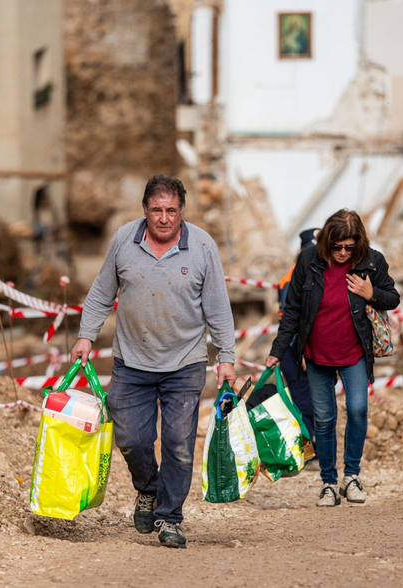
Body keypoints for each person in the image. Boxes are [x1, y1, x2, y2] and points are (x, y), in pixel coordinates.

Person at [71, 174, 236, 549]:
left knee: (178, 443)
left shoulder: (203, 247)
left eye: (171, 210)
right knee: (131, 438)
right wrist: (85, 335)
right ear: (145, 210)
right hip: (132, 361)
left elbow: (218, 309)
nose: (164, 218)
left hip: (185, 362)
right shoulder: (124, 241)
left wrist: (226, 356)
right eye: (157, 210)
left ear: (182, 211)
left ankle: (169, 518)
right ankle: (148, 488)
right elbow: (100, 293)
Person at [266, 209, 400, 507]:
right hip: (316, 355)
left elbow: (393, 298)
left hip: (353, 353)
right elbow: (293, 310)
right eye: (337, 246)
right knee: (324, 419)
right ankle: (328, 482)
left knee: (357, 409)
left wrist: (370, 292)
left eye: (349, 247)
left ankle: (351, 476)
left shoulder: (372, 261)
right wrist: (278, 351)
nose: (342, 253)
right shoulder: (308, 260)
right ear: (327, 241)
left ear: (358, 243)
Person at [246, 228, 319, 464]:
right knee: (303, 403)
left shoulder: (307, 274)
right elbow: (293, 320)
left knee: (309, 401)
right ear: (300, 251)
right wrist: (303, 354)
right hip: (296, 351)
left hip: (303, 349)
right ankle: (303, 453)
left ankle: (305, 450)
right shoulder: (294, 278)